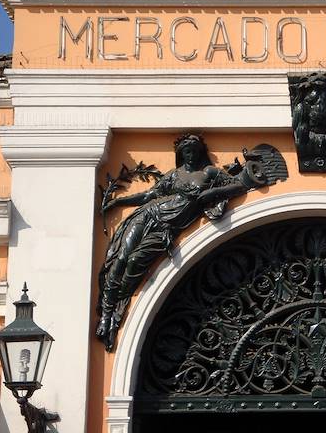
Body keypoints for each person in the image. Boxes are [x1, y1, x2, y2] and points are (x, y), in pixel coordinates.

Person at [96, 134, 265, 351]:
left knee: (134, 262)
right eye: (186, 151)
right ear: (180, 154)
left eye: (194, 150)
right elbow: (148, 196)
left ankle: (119, 304)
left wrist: (212, 192)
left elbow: (238, 186)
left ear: (200, 152)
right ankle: (107, 315)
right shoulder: (174, 175)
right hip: (148, 215)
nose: (190, 154)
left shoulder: (209, 173)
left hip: (167, 229)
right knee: (120, 259)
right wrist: (119, 201)